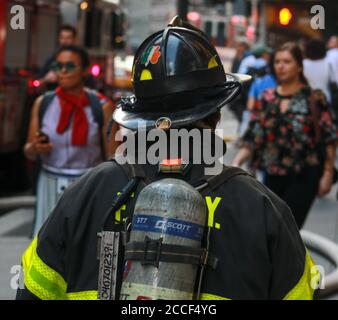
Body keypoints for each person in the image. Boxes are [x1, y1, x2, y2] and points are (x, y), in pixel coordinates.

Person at [18, 18, 319, 300]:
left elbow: (32, 289)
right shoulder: (260, 207)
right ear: (215, 114)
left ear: (138, 117)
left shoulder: (87, 193)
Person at [232, 42, 338, 229]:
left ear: (299, 66)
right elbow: (253, 136)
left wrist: (328, 173)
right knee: (271, 228)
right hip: (272, 174)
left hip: (305, 175)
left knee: (289, 228)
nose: (280, 66)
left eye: (287, 61)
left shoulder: (314, 98)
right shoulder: (267, 97)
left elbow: (329, 137)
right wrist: (237, 162)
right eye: (277, 61)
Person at [24, 45, 118, 235]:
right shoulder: (43, 103)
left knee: (82, 245)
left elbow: (113, 157)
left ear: (84, 70)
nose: (63, 72)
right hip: (49, 183)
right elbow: (29, 151)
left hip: (89, 186)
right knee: (43, 245)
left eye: (70, 66)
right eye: (59, 66)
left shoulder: (102, 106)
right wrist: (34, 148)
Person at [39, 25, 78, 92]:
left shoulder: (80, 60)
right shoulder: (51, 60)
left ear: (74, 40)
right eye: (62, 38)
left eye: (68, 38)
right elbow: (39, 84)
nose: (65, 41)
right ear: (58, 39)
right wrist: (46, 79)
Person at [303, 39, 333, 103]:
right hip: (326, 98)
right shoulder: (328, 63)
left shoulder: (303, 64)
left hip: (308, 99)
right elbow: (333, 80)